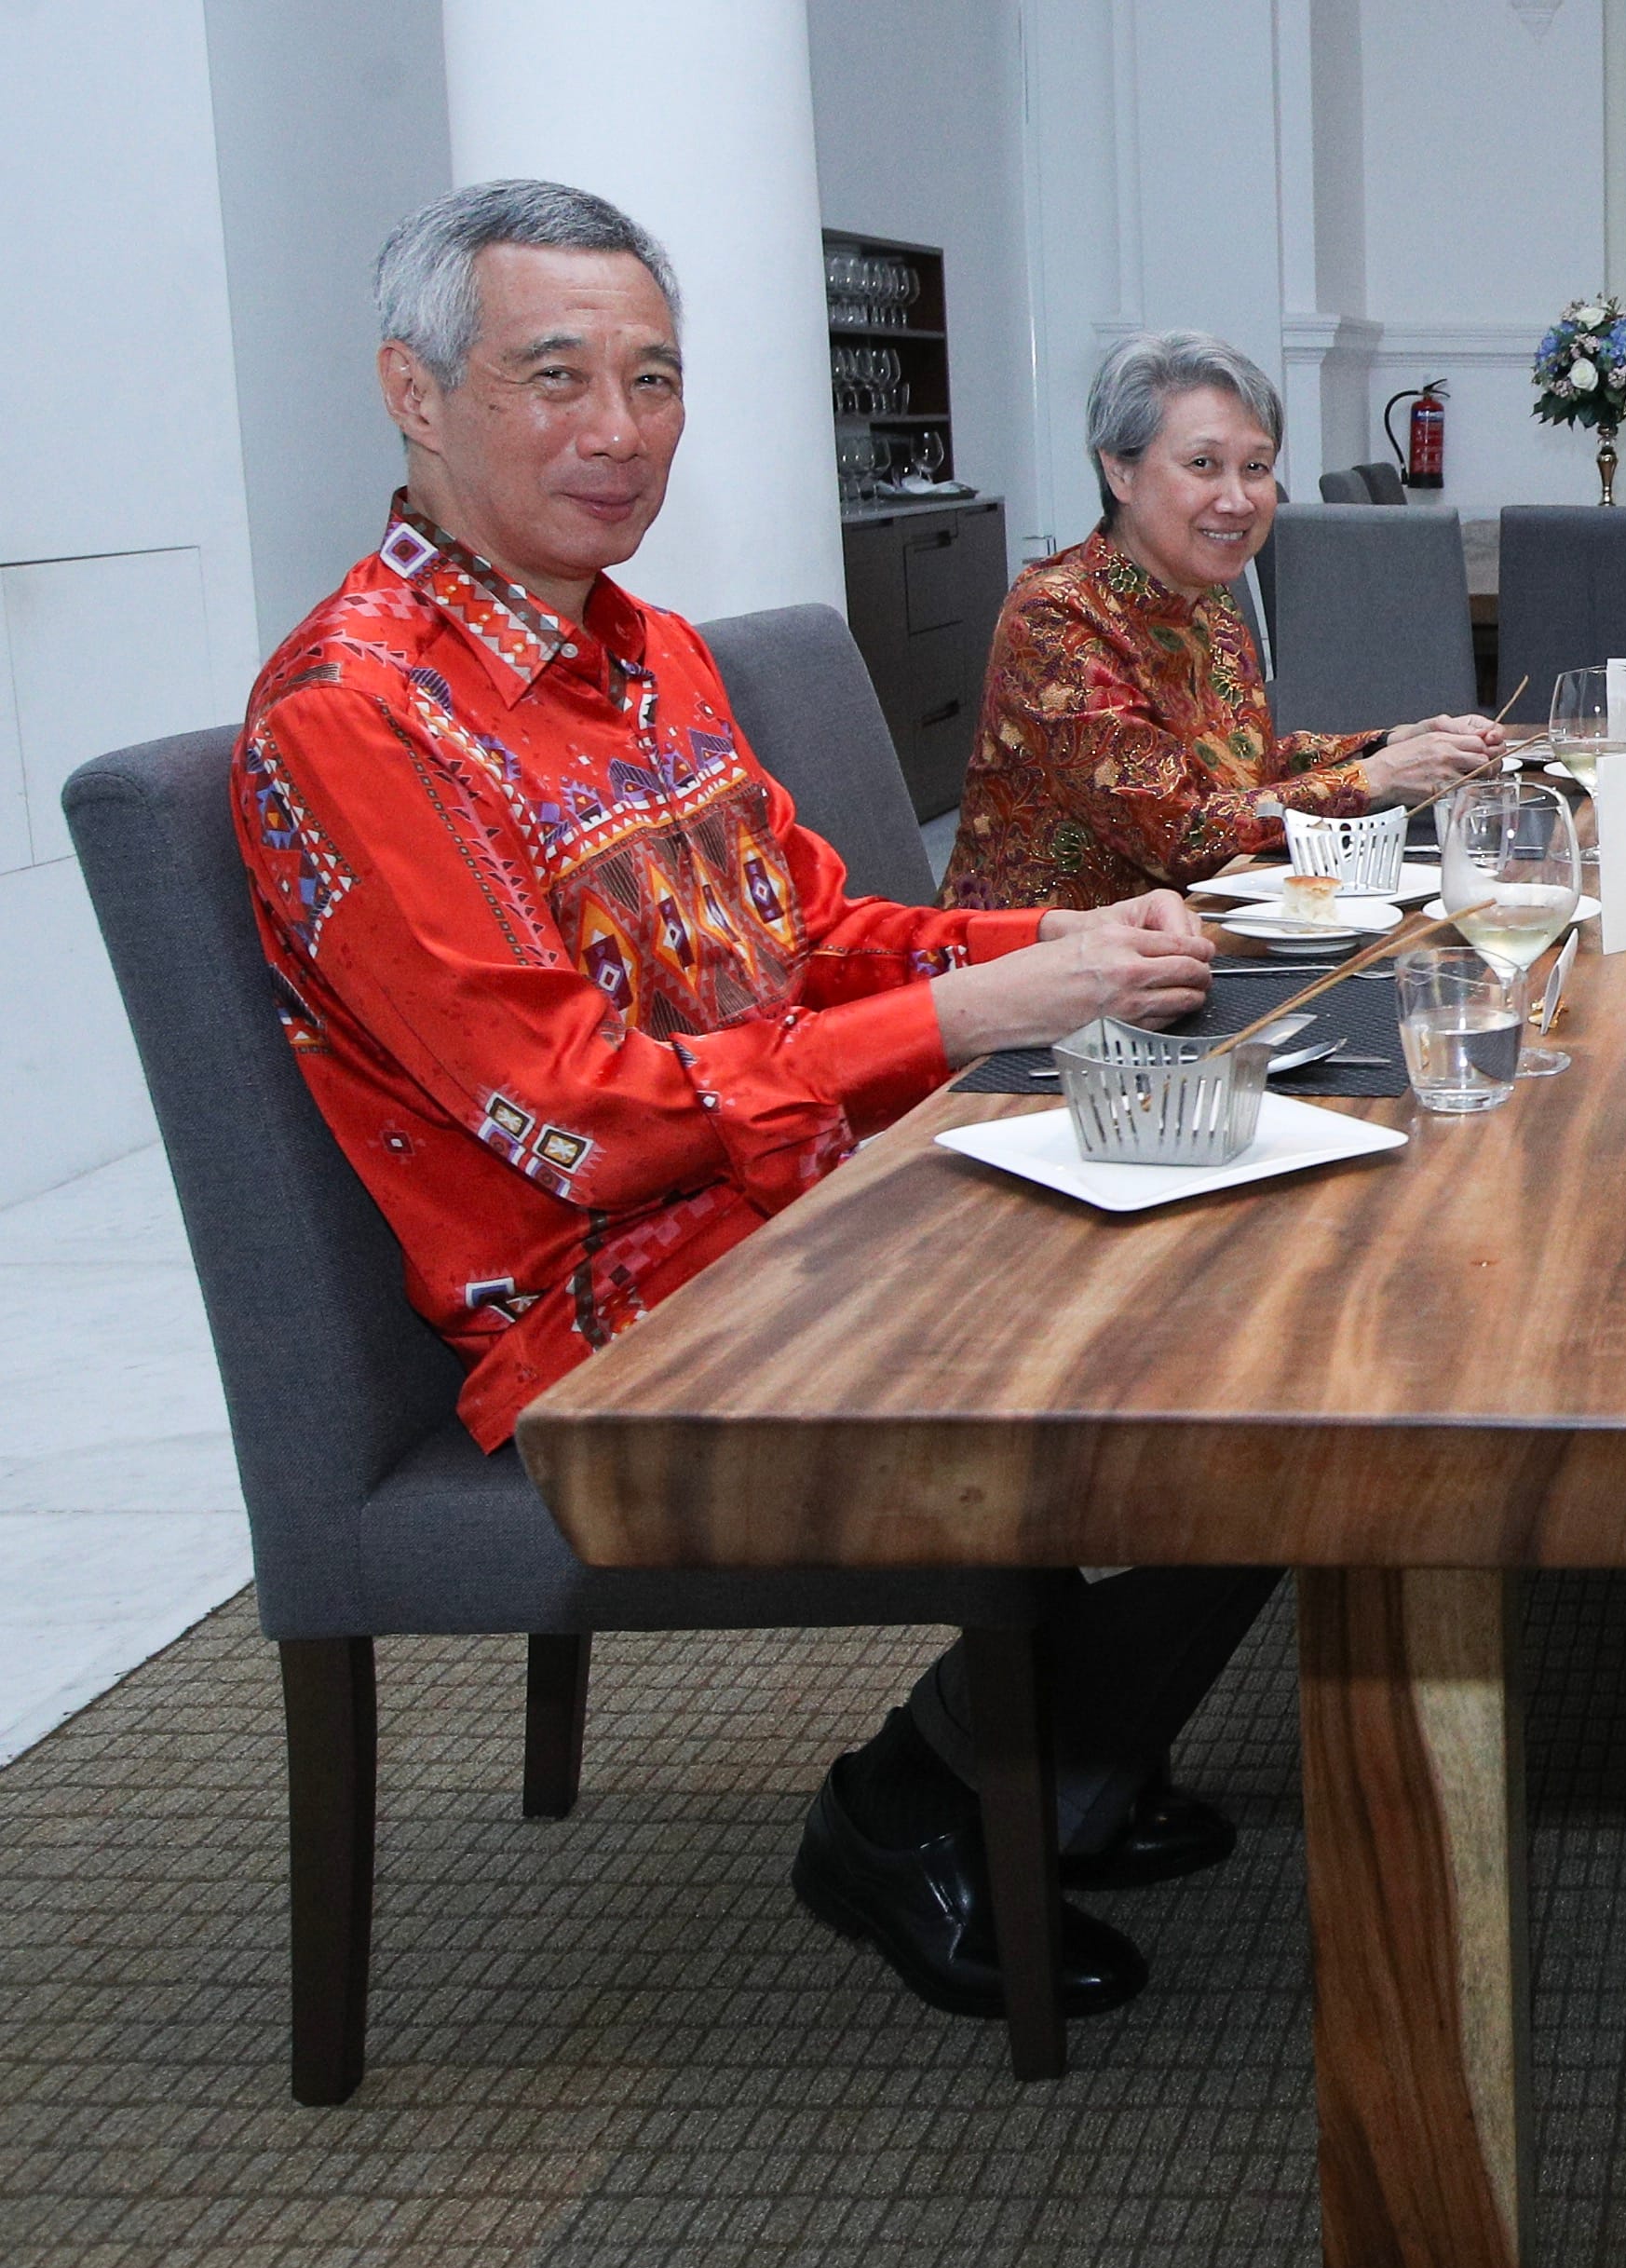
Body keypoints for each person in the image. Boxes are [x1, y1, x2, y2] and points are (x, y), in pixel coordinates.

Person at [232, 180, 1271, 2030]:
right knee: (1244, 1362)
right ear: (413, 388)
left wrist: (1045, 934)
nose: (618, 431)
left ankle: (1062, 1757)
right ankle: (921, 1794)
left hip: (801, 1198)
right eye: (556, 376)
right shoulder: (354, 716)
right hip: (617, 1313)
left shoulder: (652, 653)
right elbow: (580, 1119)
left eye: (653, 377)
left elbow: (819, 929)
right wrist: (969, 1009)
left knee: (1280, 1244)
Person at [940, 332, 1501, 910]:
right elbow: (1179, 832)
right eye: (1203, 465)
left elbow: (1236, 772)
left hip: (1191, 938)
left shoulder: (1207, 599)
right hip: (1048, 971)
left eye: (1255, 467)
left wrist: (1385, 744)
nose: (1237, 499)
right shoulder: (1056, 616)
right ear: (1120, 473)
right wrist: (1377, 777)